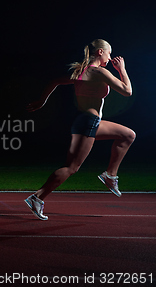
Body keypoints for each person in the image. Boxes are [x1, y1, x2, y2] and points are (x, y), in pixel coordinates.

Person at [25, 39, 135, 220]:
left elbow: (54, 81)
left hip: (87, 121)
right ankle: (37, 197)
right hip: (89, 122)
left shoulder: (79, 71)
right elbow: (127, 91)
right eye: (109, 53)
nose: (110, 57)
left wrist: (42, 100)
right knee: (71, 167)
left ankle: (110, 175)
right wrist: (122, 68)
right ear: (100, 52)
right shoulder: (100, 72)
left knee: (128, 135)